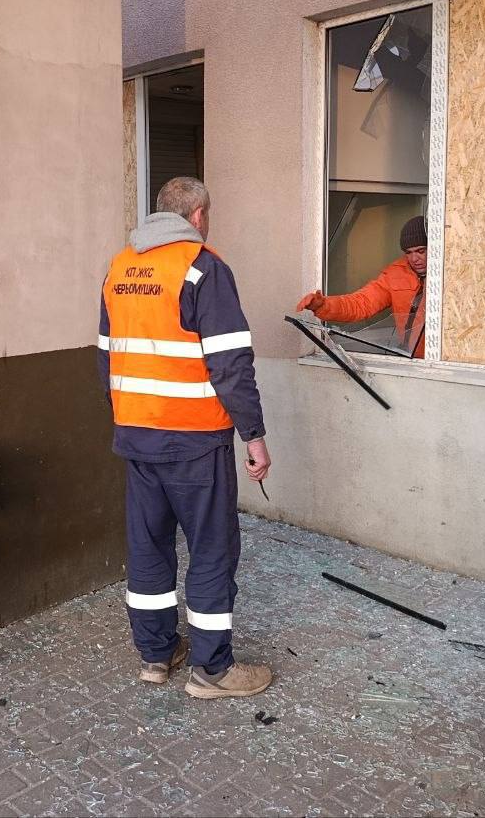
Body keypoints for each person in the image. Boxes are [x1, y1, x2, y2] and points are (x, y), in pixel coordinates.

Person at [99, 176, 274, 699]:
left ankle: (157, 655)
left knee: (148, 547)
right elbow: (231, 365)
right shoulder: (202, 268)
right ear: (197, 216)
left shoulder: (119, 268)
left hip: (138, 437)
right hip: (195, 441)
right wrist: (254, 436)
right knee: (211, 549)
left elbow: (106, 357)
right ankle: (212, 670)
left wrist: (129, 417)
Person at [296, 214, 428, 358]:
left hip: (441, 363)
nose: (414, 259)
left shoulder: (446, 276)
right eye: (408, 252)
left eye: (421, 251)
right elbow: (361, 303)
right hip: (412, 359)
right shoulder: (395, 274)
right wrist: (323, 305)